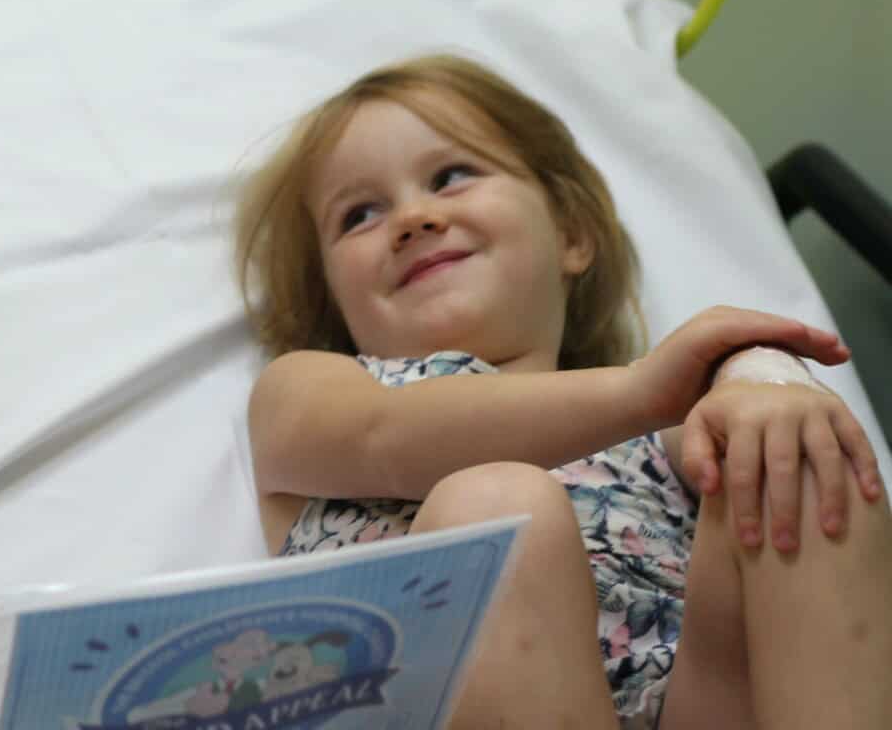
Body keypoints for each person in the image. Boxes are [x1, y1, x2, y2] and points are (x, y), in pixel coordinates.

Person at [235, 54, 892, 729]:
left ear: (572, 236)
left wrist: (756, 374)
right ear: (332, 300)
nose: (413, 217)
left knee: (787, 447)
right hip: (430, 706)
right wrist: (641, 391)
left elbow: (749, 422)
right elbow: (380, 437)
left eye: (451, 176)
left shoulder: (660, 432)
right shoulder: (312, 388)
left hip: (695, 702)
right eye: (359, 215)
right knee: (496, 508)